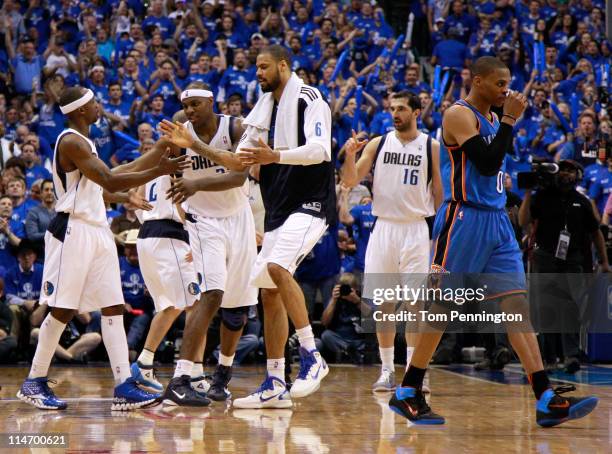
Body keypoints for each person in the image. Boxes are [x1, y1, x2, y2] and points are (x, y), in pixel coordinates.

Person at [390, 57, 598, 427]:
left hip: (497, 222)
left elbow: (496, 168)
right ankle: (408, 388)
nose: (507, 90)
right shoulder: (458, 114)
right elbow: (485, 162)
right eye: (500, 84)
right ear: (479, 81)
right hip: (463, 219)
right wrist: (510, 119)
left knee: (517, 306)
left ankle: (545, 396)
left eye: (509, 83)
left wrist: (534, 172)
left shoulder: (492, 121)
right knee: (441, 307)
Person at [159, 45, 333, 408]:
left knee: (276, 267)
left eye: (264, 66)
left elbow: (320, 150)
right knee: (268, 291)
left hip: (311, 201)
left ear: (283, 65)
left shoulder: (309, 98)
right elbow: (237, 164)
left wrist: (276, 156)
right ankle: (274, 381)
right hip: (278, 206)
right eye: (256, 67)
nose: (258, 73)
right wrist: (193, 145)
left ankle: (312, 356)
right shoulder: (264, 107)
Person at [17, 85, 187, 411]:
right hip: (72, 231)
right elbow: (109, 180)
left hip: (97, 231)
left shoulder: (87, 143)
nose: (100, 107)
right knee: (63, 309)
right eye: (95, 102)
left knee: (113, 307)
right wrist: (160, 170)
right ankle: (34, 380)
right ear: (82, 110)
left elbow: (116, 174)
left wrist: (162, 147)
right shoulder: (70, 140)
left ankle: (124, 385)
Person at [156, 82, 258, 406]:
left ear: (212, 103)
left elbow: (238, 175)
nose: (189, 112)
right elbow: (173, 173)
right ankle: (181, 377)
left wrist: (194, 179)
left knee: (238, 310)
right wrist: (182, 210)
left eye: (195, 106)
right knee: (211, 294)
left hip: (239, 218)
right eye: (186, 107)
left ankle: (222, 377)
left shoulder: (236, 127)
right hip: (204, 220)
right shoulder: (179, 129)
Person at [341, 91, 443, 392]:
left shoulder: (430, 146)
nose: (395, 113)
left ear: (416, 112)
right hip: (384, 228)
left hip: (416, 229)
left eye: (401, 109)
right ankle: (387, 370)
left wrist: (438, 236)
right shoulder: (379, 142)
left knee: (416, 305)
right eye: (391, 109)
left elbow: (439, 193)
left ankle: (414, 371)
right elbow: (350, 181)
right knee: (384, 304)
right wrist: (349, 155)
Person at [519, 159, 609, 373]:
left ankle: (571, 356)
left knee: (571, 308)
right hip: (546, 257)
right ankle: (548, 358)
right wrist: (529, 193)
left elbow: (595, 232)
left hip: (573, 260)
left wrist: (604, 261)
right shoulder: (542, 196)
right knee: (546, 308)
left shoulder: (582, 201)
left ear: (577, 175)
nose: (566, 174)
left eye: (571, 171)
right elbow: (524, 221)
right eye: (563, 170)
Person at [129, 139, 202, 398]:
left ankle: (144, 364)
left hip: (146, 236)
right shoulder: (177, 166)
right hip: (170, 235)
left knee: (170, 306)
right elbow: (183, 209)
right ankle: (195, 374)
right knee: (197, 305)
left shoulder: (149, 167)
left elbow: (134, 203)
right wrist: (198, 239)